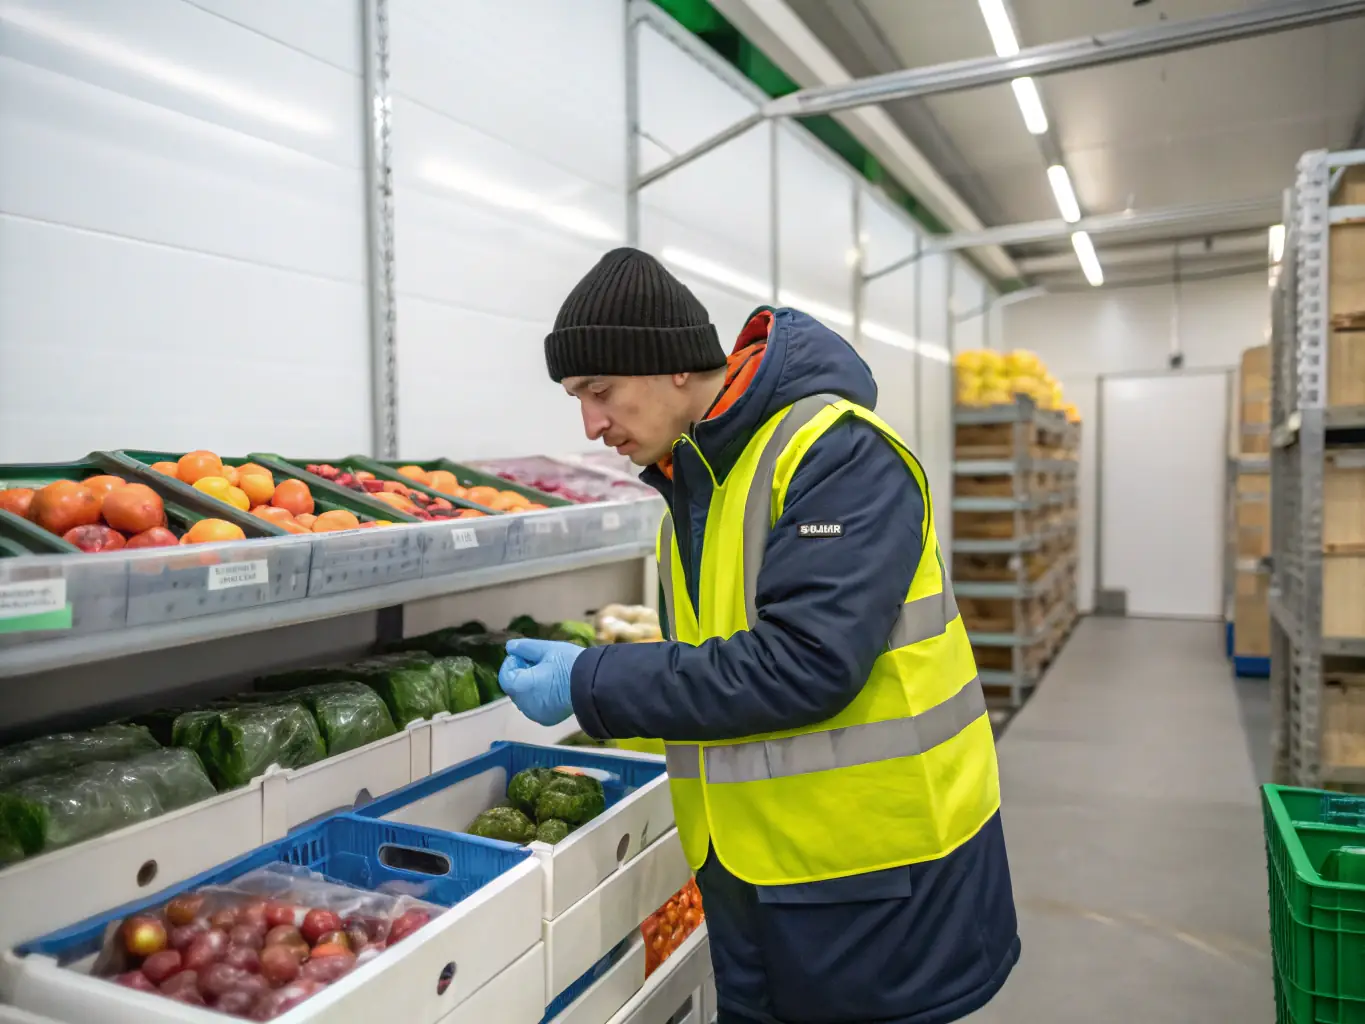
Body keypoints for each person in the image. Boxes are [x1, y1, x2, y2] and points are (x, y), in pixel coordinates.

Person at [499, 247, 1019, 1024]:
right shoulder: (694, 483)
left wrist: (591, 683)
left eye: (598, 390)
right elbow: (721, 658)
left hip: (879, 879)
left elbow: (805, 664)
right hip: (753, 875)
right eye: (577, 396)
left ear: (673, 366)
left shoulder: (835, 454)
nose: (590, 422)